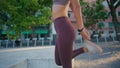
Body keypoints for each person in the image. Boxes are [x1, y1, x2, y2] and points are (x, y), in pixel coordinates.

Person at [52, 0, 102, 68]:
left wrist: (81, 29)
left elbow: (76, 6)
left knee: (66, 65)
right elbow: (72, 6)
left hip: (64, 28)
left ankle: (85, 48)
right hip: (59, 29)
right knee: (59, 61)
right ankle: (84, 49)